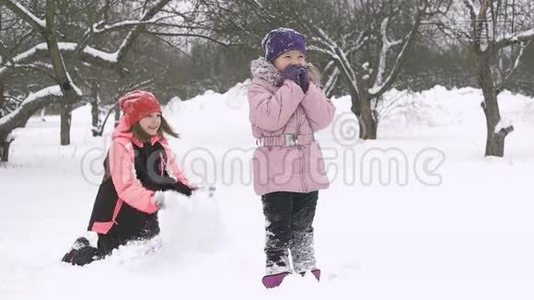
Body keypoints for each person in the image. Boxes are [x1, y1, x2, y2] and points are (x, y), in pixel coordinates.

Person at [62, 90, 195, 266]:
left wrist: (189, 190)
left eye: (158, 115)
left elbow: (165, 177)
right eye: (148, 116)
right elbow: (126, 188)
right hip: (118, 218)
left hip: (146, 216)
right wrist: (154, 200)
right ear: (134, 118)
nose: (155, 121)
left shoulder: (158, 145)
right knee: (107, 261)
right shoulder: (121, 146)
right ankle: (77, 252)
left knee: (147, 257)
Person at [247, 28, 336, 288]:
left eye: (300, 56)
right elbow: (270, 119)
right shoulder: (259, 87)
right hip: (275, 164)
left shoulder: (309, 85)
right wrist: (291, 86)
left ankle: (305, 261)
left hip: (307, 165)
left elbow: (323, 119)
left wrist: (307, 89)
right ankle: (276, 263)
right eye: (287, 56)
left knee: (304, 222)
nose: (295, 62)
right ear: (272, 59)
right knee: (280, 223)